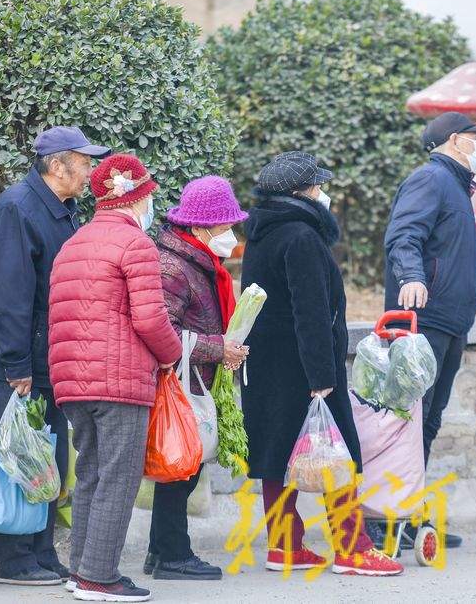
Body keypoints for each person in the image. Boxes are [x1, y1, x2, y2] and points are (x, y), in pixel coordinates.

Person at [241, 151, 404, 577]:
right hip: (303, 365)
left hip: (267, 362)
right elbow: (310, 311)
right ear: (302, 193)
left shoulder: (262, 233)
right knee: (336, 453)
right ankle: (353, 549)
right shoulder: (301, 237)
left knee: (278, 454)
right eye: (317, 185)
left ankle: (285, 547)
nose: (322, 192)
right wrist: (321, 377)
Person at [0, 126, 109, 586]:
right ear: (56, 165)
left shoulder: (61, 208)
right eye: (84, 162)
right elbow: (8, 295)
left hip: (47, 355)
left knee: (47, 456)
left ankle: (42, 549)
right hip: (20, 362)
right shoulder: (17, 208)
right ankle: (13, 558)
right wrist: (16, 365)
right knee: (19, 457)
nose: (90, 171)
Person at [50, 153, 182, 603]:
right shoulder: (136, 245)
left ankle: (80, 569)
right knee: (119, 478)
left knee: (89, 474)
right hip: (120, 381)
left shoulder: (73, 243)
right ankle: (98, 577)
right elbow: (150, 319)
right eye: (149, 198)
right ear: (138, 196)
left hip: (72, 381)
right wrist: (171, 355)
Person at [380, 111, 476, 549]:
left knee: (426, 422)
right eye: (473, 137)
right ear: (453, 141)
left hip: (450, 319)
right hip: (425, 320)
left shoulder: (457, 185)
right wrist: (412, 277)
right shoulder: (431, 179)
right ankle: (385, 519)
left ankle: (409, 518)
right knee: (406, 421)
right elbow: (403, 236)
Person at [143, 176, 249, 581]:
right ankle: (173, 555)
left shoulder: (200, 262)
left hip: (196, 379)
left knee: (185, 469)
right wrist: (215, 348)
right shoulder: (173, 266)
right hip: (180, 382)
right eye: (226, 228)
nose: (231, 235)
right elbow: (162, 330)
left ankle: (161, 552)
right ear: (202, 228)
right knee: (180, 468)